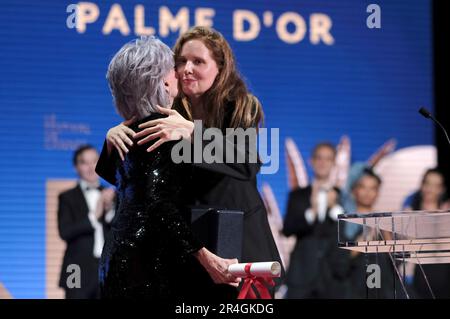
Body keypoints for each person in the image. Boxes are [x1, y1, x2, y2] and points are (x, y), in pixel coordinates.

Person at [99, 27, 283, 295]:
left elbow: (247, 163)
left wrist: (193, 133)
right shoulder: (167, 106)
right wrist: (111, 139)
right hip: (190, 243)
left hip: (237, 236)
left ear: (220, 67)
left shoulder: (242, 105)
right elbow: (129, 177)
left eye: (198, 61)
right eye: (181, 61)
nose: (186, 68)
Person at [282, 142, 349, 298]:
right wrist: (311, 212)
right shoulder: (298, 195)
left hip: (332, 276)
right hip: (301, 274)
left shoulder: (343, 196)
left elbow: (348, 233)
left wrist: (334, 209)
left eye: (328, 158)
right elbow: (287, 229)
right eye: (319, 158)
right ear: (311, 162)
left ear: (334, 163)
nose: (323, 162)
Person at [57, 144, 115, 299]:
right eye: (84, 162)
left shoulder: (111, 195)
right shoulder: (67, 197)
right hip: (75, 266)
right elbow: (65, 232)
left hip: (106, 266)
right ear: (76, 167)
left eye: (94, 161)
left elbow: (120, 233)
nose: (90, 167)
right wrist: (94, 216)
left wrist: (109, 211)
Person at [402, 168, 450, 298]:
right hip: (417, 277)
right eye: (427, 184)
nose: (430, 189)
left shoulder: (446, 215)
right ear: (422, 185)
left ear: (442, 189)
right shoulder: (409, 213)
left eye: (436, 185)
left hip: (444, 276)